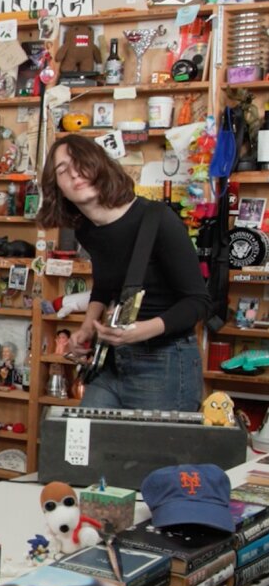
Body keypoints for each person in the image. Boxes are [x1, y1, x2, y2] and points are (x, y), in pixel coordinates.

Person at [36, 135, 209, 410]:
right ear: (57, 187)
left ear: (100, 166)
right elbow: (106, 284)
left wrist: (142, 331)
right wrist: (87, 328)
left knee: (146, 453)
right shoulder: (87, 229)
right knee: (82, 447)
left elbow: (198, 303)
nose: (74, 173)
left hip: (164, 360)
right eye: (61, 169)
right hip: (113, 359)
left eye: (81, 162)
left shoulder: (158, 220)